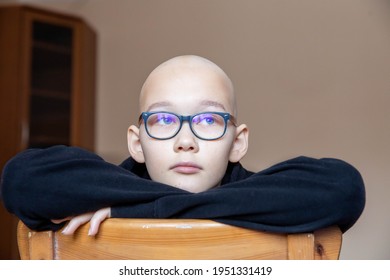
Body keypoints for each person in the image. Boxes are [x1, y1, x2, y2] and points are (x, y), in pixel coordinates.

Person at [0, 55, 365, 237]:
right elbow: (20, 180)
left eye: (208, 120)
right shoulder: (100, 189)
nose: (186, 141)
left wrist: (131, 213)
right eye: (164, 120)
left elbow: (343, 188)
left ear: (237, 143)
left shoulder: (109, 208)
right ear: (136, 143)